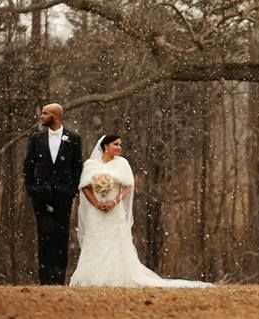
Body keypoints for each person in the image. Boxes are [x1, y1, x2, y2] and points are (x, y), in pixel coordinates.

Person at [70, 134, 212, 288]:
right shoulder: (91, 165)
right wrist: (97, 203)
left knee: (114, 241)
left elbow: (128, 186)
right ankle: (90, 277)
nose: (119, 148)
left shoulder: (122, 164)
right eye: (116, 144)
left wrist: (114, 201)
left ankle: (116, 276)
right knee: (96, 240)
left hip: (114, 210)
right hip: (96, 212)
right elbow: (84, 186)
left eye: (120, 145)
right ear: (105, 146)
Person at [23, 103, 83, 285]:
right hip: (41, 196)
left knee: (61, 237)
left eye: (45, 113)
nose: (41, 116)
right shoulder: (36, 139)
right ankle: (45, 281)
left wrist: (71, 190)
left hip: (63, 197)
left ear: (56, 116)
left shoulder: (73, 138)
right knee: (44, 236)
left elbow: (77, 167)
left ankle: (58, 280)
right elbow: (28, 167)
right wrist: (33, 189)